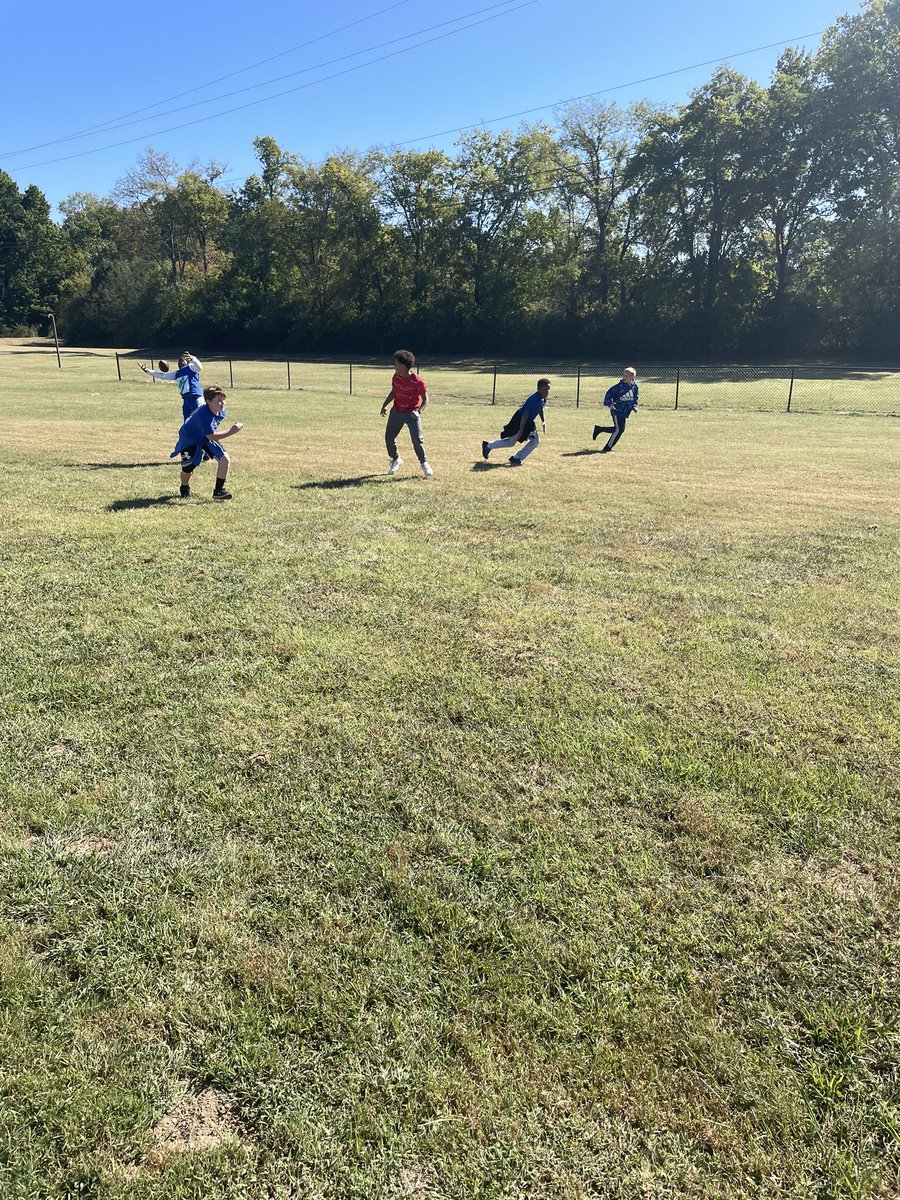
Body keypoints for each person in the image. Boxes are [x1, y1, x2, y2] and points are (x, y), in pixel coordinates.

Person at [169, 385, 243, 500]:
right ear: (209, 402)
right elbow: (212, 436)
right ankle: (184, 487)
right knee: (188, 468)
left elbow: (209, 432)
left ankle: (218, 492)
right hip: (190, 439)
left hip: (205, 437)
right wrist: (232, 431)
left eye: (223, 399)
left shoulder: (221, 411)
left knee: (224, 459)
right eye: (219, 400)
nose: (223, 403)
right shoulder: (203, 415)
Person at [380, 349, 433, 478]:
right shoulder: (396, 377)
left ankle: (424, 463)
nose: (394, 366)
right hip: (397, 412)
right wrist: (384, 405)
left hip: (411, 414)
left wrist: (418, 411)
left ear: (403, 366)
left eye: (396, 363)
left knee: (417, 440)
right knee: (389, 438)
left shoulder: (417, 381)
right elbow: (393, 392)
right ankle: (396, 459)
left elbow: (426, 399)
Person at [481, 378, 550, 466]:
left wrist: (543, 421)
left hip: (528, 422)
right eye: (546, 389)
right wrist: (520, 431)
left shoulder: (543, 398)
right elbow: (525, 415)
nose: (547, 392)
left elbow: (540, 408)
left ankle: (517, 457)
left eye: (548, 389)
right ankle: (488, 446)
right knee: (511, 442)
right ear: (539, 389)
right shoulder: (534, 399)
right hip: (519, 420)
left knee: (535, 440)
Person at [140, 351, 204, 421]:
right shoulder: (177, 373)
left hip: (195, 398)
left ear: (187, 362)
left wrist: (193, 359)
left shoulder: (191, 368)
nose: (180, 360)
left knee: (199, 421)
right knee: (187, 423)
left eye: (183, 359)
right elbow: (162, 376)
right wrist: (148, 371)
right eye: (179, 360)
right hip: (186, 400)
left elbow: (199, 367)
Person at [593, 367, 638, 452]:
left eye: (627, 375)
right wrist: (609, 404)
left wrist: (634, 406)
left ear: (632, 376)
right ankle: (607, 448)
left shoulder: (635, 387)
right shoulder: (619, 386)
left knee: (620, 429)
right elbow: (608, 395)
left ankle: (599, 429)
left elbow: (634, 398)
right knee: (618, 429)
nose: (624, 376)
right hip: (616, 410)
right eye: (624, 374)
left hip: (625, 411)